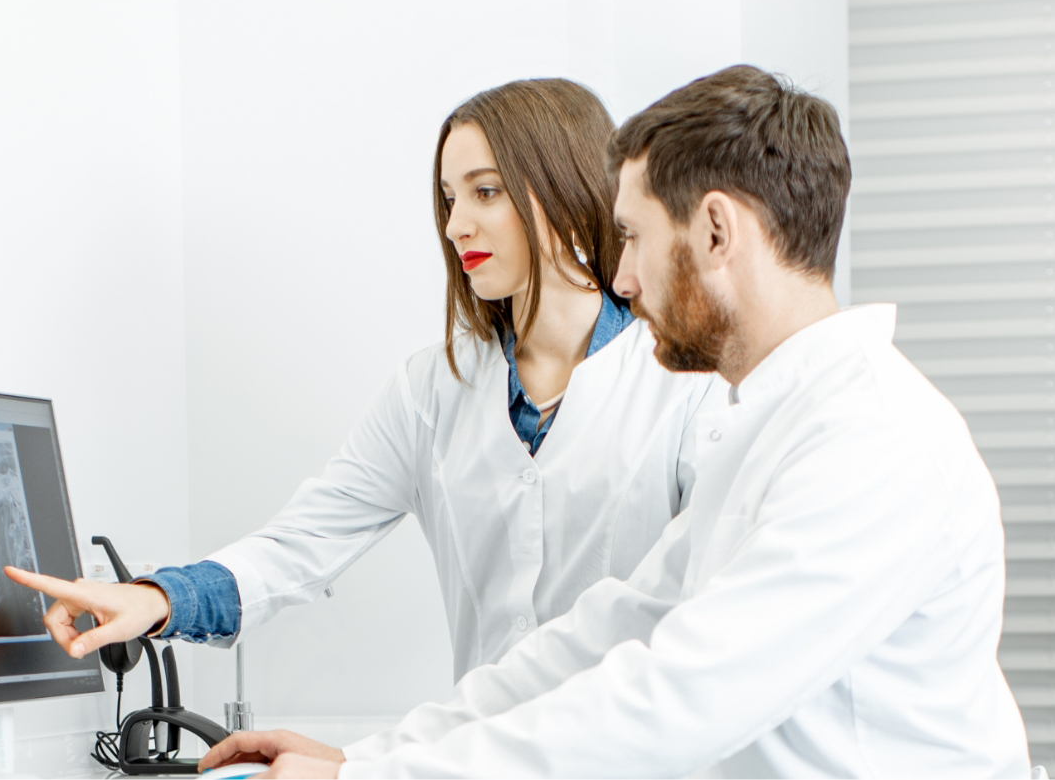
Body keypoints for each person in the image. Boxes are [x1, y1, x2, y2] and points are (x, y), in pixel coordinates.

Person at [196, 65, 1030, 778]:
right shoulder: (766, 433)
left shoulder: (872, 441)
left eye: (631, 238)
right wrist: (367, 759)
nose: (621, 278)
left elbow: (679, 693)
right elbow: (602, 634)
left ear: (713, 231)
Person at [5, 78, 724, 683]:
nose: (456, 225)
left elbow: (706, 620)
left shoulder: (687, 381)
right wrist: (155, 599)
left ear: (568, 188)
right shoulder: (433, 387)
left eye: (485, 192)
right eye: (449, 198)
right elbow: (299, 545)